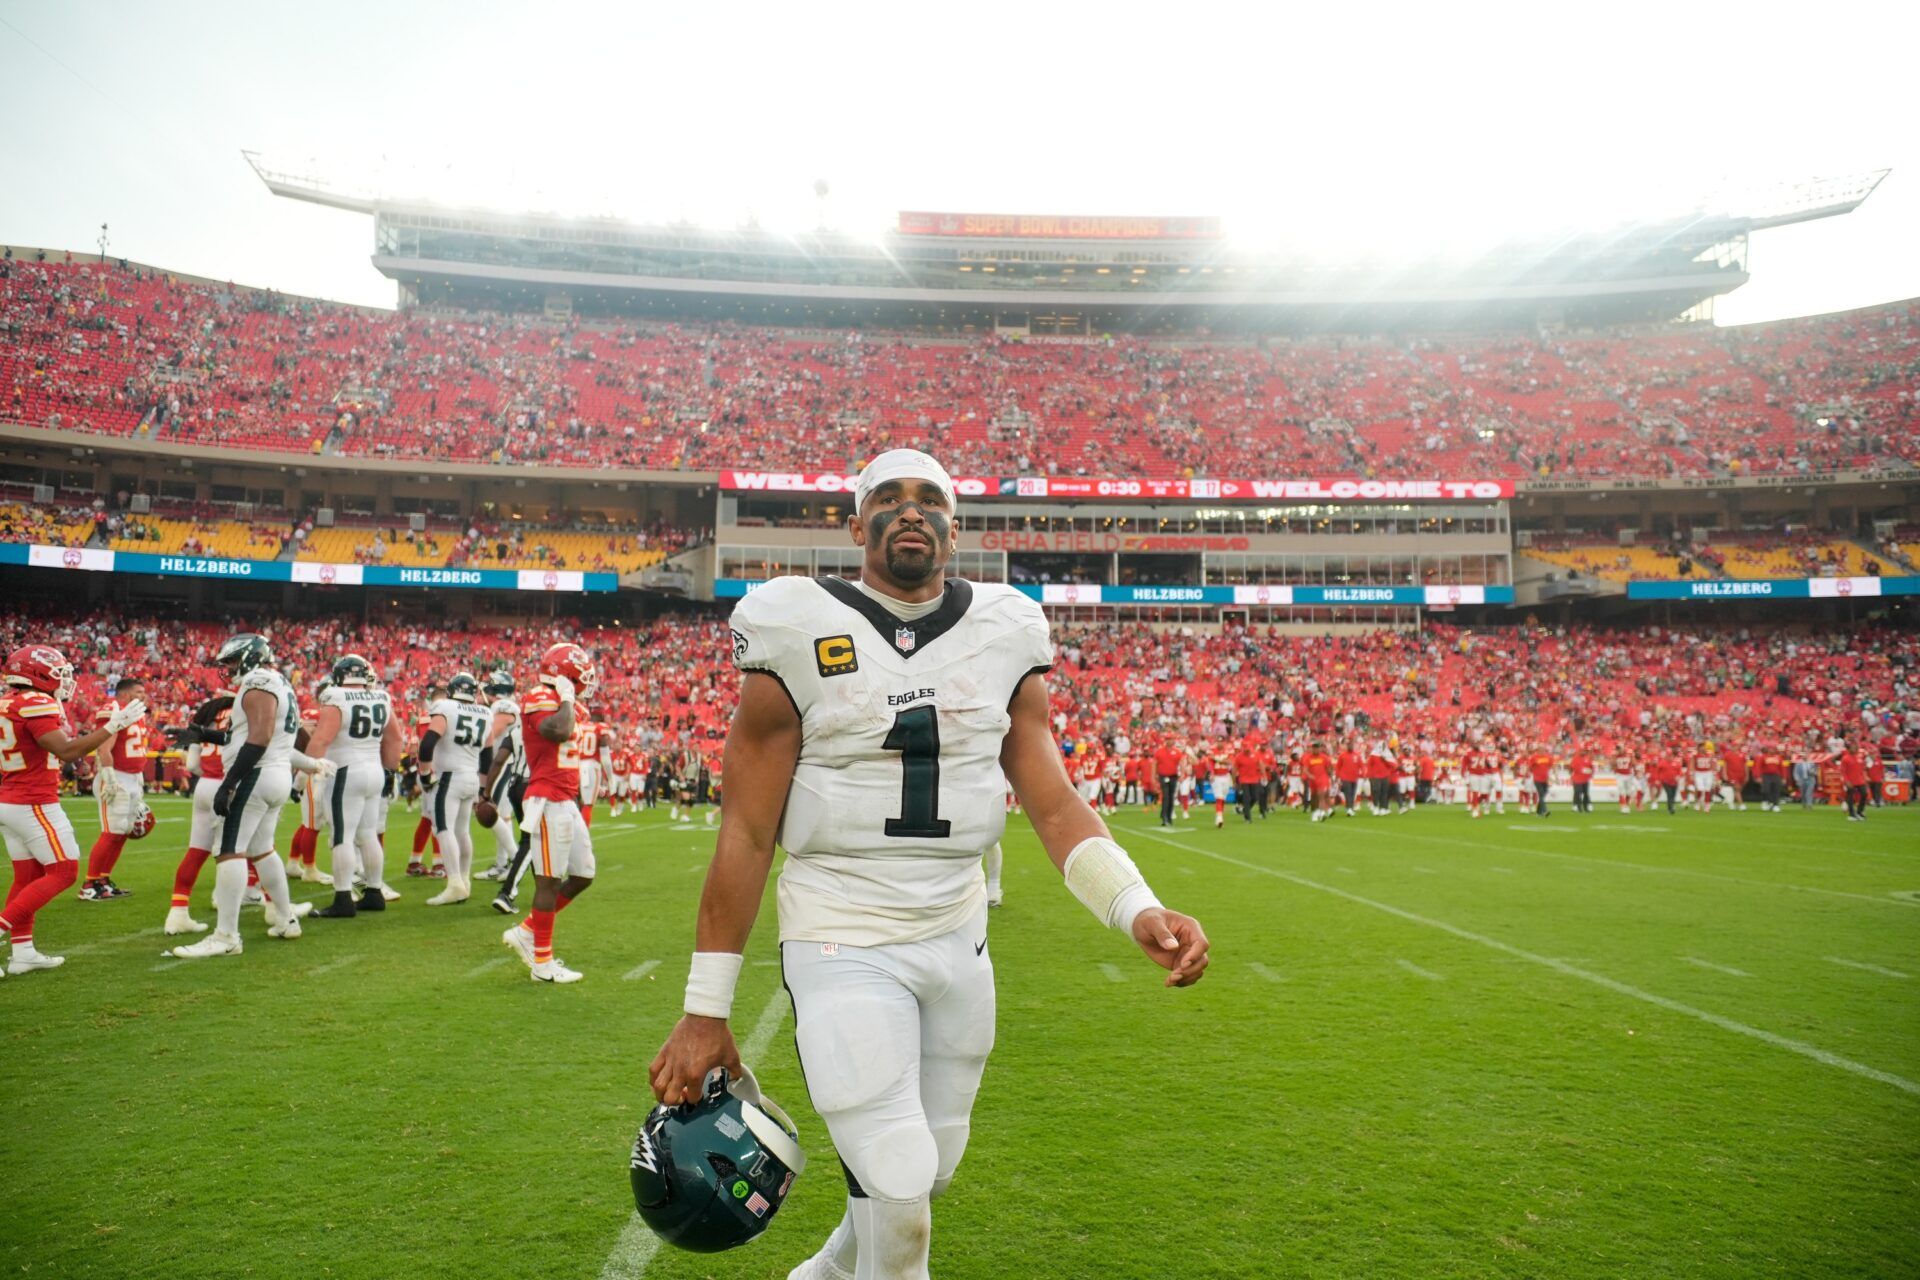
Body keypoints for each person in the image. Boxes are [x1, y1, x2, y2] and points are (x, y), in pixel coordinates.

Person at [647, 450, 1208, 1280]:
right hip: (840, 929)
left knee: (927, 1170)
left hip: (956, 932)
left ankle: (830, 1272)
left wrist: (1135, 905)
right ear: (854, 524)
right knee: (899, 1171)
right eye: (888, 498)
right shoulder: (793, 624)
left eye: (930, 500)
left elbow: (1053, 805)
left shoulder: (1006, 627)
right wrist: (705, 1010)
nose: (911, 512)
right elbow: (746, 834)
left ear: (956, 525)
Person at [167, 634, 332, 960]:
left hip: (257, 774)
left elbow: (259, 736)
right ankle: (285, 920)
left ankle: (226, 936)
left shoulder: (257, 682)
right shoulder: (276, 681)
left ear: (248, 657)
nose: (227, 669)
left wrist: (230, 783)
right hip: (274, 774)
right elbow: (241, 734)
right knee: (262, 850)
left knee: (230, 852)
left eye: (230, 662)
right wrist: (203, 734)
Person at [0, 645, 145, 974]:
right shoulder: (35, 701)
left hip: (11, 798)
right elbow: (65, 751)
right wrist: (113, 726)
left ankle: (22, 953)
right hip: (33, 802)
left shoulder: (9, 701)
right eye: (57, 673)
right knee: (64, 872)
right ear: (36, 674)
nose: (63, 680)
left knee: (28, 877)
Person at [498, 642, 599, 983]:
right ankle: (542, 963)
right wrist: (567, 698)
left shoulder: (570, 706)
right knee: (548, 880)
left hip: (565, 798)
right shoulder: (541, 696)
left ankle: (527, 930)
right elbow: (556, 731)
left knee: (583, 874)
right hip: (545, 798)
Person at [306, 655, 404, 919]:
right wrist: (390, 771)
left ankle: (343, 899)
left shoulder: (335, 697)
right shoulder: (381, 697)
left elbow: (321, 740)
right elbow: (395, 738)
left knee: (342, 836)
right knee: (368, 834)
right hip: (375, 770)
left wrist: (303, 770)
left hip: (345, 771)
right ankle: (373, 893)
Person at [421, 672, 490, 905]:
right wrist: (483, 788)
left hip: (449, 777)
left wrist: (424, 775)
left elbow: (427, 743)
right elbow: (488, 756)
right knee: (462, 831)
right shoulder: (486, 712)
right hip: (471, 776)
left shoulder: (446, 707)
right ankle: (464, 880)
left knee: (443, 828)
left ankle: (454, 883)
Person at [80, 676, 148, 901]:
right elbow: (103, 747)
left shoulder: (135, 713)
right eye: (139, 692)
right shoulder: (113, 708)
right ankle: (89, 884)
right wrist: (109, 778)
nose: (143, 696)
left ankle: (103, 880)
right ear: (126, 694)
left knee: (121, 833)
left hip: (132, 777)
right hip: (115, 776)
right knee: (111, 832)